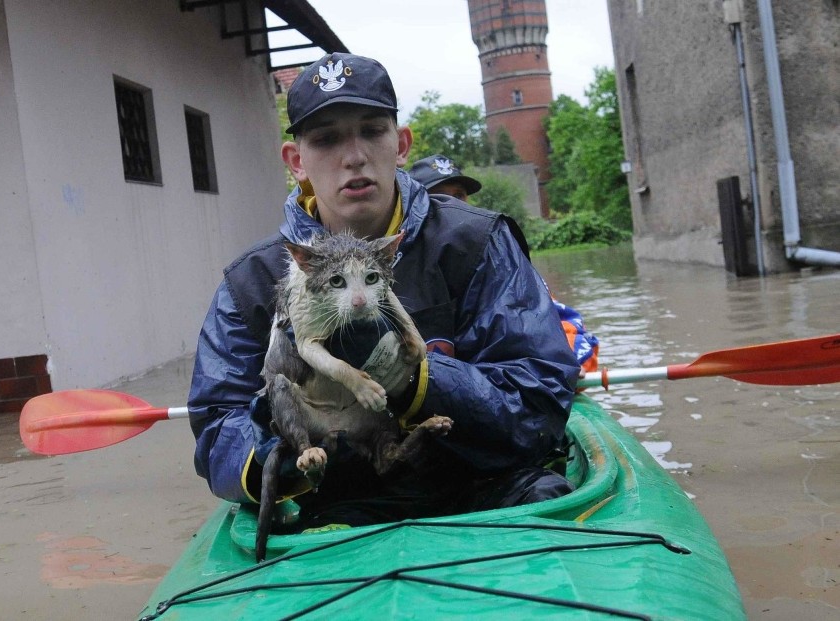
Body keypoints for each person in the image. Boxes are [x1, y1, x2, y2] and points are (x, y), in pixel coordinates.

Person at [188, 53, 580, 530]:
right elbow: (216, 432)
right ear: (297, 162)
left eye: (372, 131)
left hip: (486, 488)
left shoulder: (477, 242)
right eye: (326, 139)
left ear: (401, 145)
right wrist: (296, 447)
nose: (353, 156)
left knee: (546, 498)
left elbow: (540, 399)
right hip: (335, 507)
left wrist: (419, 381)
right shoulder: (250, 281)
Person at [409, 154, 599, 376]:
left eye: (459, 195)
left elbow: (560, 323)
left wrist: (564, 364)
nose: (452, 205)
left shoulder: (498, 260)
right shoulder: (396, 269)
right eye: (439, 197)